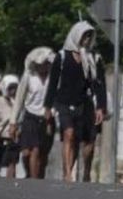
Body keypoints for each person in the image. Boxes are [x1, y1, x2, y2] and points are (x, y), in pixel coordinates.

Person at [45, 20, 107, 183]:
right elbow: (53, 83)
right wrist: (48, 106)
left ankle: (86, 171)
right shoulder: (62, 57)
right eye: (83, 36)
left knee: (88, 141)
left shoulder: (94, 58)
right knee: (69, 134)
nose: (86, 40)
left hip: (86, 103)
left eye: (89, 36)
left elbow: (100, 84)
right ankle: (67, 173)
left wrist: (101, 107)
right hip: (64, 102)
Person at [14, 46, 55, 179]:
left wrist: (52, 114)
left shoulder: (54, 78)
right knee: (29, 152)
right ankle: (32, 178)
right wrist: (13, 122)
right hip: (30, 117)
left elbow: (58, 97)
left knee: (42, 153)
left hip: (47, 119)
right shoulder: (28, 77)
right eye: (41, 64)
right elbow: (19, 99)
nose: (44, 67)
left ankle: (38, 177)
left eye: (46, 64)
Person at [0, 74, 21, 178]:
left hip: (13, 137)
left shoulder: (19, 102)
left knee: (12, 161)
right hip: (0, 137)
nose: (13, 91)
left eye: (15, 88)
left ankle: (10, 181)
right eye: (10, 88)